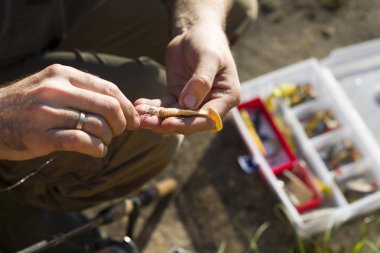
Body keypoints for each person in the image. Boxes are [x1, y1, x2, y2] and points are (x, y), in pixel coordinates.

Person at [0, 0, 258, 251]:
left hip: (34, 28)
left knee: (237, 7)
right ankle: (11, 201)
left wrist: (200, 24)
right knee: (150, 133)